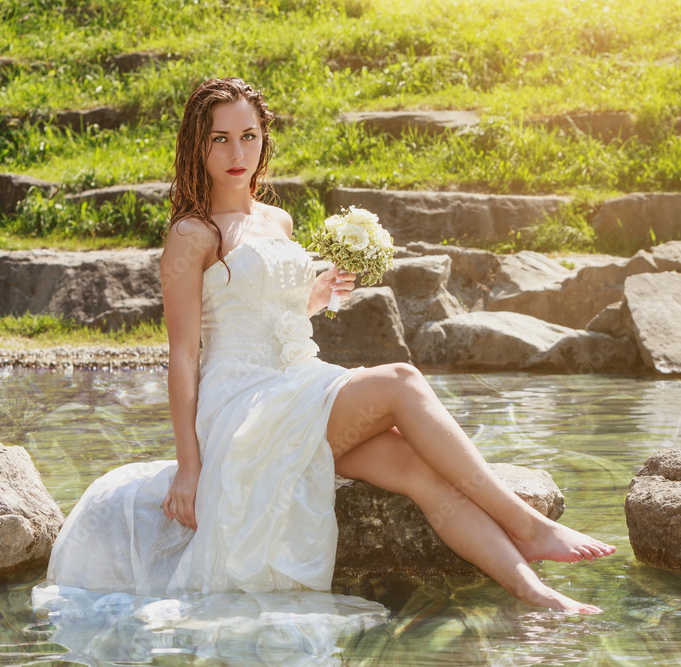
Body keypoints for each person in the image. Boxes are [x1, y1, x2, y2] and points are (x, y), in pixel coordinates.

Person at [45, 77, 614, 615]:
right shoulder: (192, 234)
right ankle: (528, 524)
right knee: (403, 381)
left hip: (299, 386)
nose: (236, 152)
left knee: (417, 469)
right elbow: (185, 355)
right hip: (243, 404)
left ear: (264, 140)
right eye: (220, 138)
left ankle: (536, 592)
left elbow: (271, 314)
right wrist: (190, 468)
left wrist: (317, 294)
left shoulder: (279, 221)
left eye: (249, 136)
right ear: (199, 145)